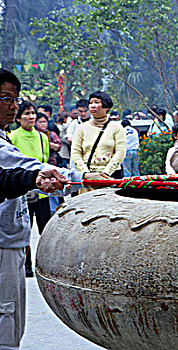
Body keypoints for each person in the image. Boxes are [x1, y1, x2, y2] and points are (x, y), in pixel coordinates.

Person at [0, 68, 107, 350]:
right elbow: (19, 172)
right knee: (5, 322)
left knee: (11, 318)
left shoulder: (9, 137)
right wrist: (79, 178)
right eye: (5, 99)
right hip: (2, 244)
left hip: (11, 239)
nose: (14, 106)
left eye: (15, 99)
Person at [9, 101, 52, 235]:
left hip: (41, 190)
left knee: (45, 229)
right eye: (27, 114)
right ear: (18, 118)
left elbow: (44, 160)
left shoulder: (42, 137)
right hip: (22, 190)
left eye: (33, 113)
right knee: (24, 230)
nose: (31, 117)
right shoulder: (12, 137)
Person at [71, 91, 127, 178]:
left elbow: (120, 152)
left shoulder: (116, 127)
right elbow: (75, 152)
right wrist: (86, 173)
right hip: (87, 176)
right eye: (90, 103)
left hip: (111, 175)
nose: (93, 106)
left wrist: (106, 173)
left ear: (106, 107)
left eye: (97, 102)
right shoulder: (81, 128)